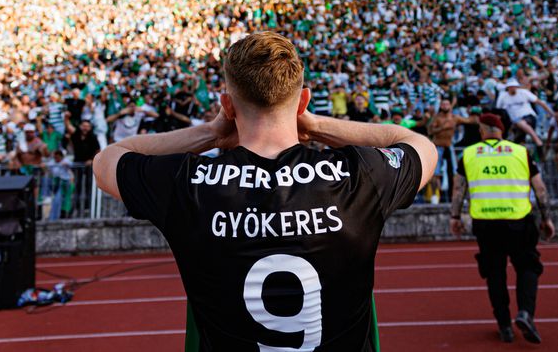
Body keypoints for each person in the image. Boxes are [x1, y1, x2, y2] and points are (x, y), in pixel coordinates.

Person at [94, 32, 437, 350]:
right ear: (303, 100)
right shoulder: (356, 176)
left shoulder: (190, 183)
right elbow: (418, 145)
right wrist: (317, 127)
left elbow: (108, 160)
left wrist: (212, 134)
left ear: (227, 106)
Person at [450, 113, 556, 344]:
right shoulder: (520, 152)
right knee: (528, 266)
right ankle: (526, 313)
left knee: (494, 274)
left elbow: (459, 190)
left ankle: (504, 325)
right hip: (518, 220)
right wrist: (546, 218)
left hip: (486, 224)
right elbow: (540, 189)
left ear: (484, 129)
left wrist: (455, 216)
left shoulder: (469, 154)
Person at [496, 80, 553, 151]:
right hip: (513, 121)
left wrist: (552, 114)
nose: (513, 88)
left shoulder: (524, 93)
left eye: (515, 87)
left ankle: (537, 141)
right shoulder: (503, 96)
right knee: (519, 138)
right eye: (511, 87)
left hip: (528, 117)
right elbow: (498, 110)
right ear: (508, 88)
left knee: (520, 122)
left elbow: (540, 102)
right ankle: (532, 151)